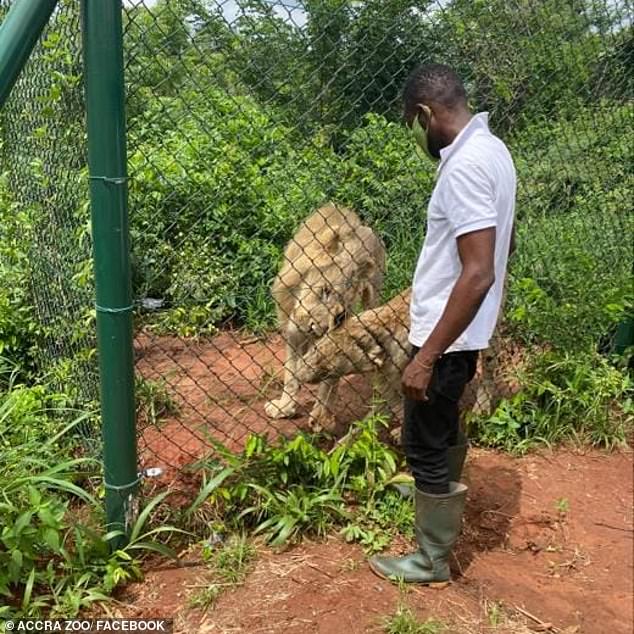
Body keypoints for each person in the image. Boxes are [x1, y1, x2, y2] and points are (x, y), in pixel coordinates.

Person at [369, 63, 516, 585]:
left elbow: (477, 272)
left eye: (413, 121)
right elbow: (502, 248)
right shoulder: (493, 151)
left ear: (426, 114)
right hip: (464, 329)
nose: (415, 132)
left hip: (446, 336)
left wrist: (427, 355)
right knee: (444, 418)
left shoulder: (463, 168)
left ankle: (431, 558)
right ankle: (438, 489)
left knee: (422, 437)